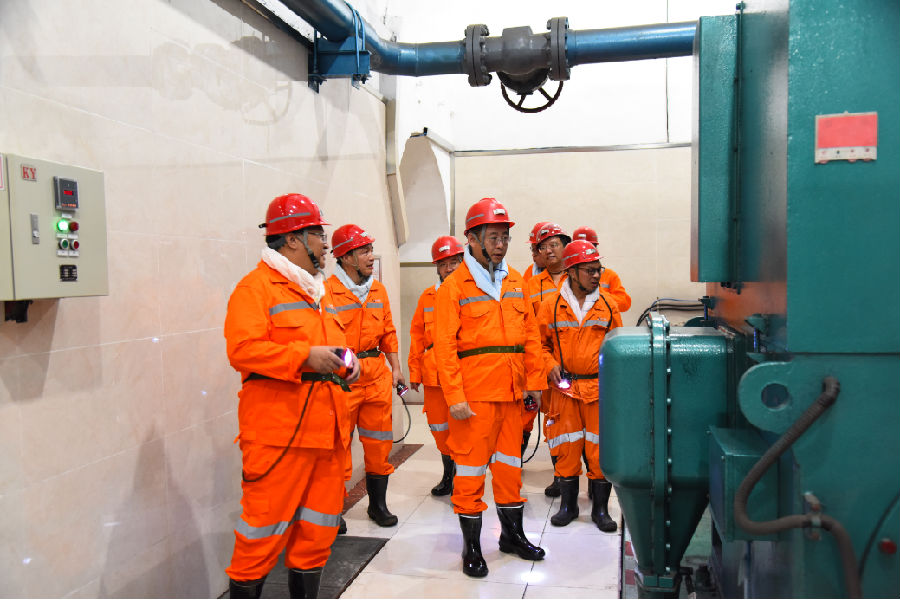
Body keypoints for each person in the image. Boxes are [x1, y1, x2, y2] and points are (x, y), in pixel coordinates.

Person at [224, 193, 361, 599]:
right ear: (293, 239)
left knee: (317, 535)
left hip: (328, 437)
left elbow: (332, 346)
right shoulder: (256, 288)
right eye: (319, 234)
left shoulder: (319, 292)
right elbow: (242, 350)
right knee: (260, 538)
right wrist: (304, 356)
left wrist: (348, 362)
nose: (326, 244)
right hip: (279, 439)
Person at [433, 197, 546, 578]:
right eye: (494, 237)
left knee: (510, 469)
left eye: (505, 237)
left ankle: (512, 536)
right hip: (474, 398)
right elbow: (445, 347)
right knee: (469, 473)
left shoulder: (515, 282)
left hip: (512, 395)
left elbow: (531, 335)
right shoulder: (454, 286)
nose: (501, 244)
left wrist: (535, 382)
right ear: (472, 239)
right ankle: (471, 548)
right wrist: (454, 396)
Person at [536, 240, 623, 532]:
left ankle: (600, 510)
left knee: (600, 451)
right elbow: (539, 345)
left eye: (599, 269)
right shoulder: (551, 306)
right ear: (572, 272)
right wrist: (549, 365)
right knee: (566, 448)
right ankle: (568, 506)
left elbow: (618, 349)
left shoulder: (609, 306)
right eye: (590, 271)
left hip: (599, 391)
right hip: (564, 390)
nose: (596, 275)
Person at [324, 224, 404, 530]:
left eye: (370, 250)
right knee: (338, 448)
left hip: (377, 379)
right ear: (345, 258)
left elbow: (388, 332)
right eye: (364, 251)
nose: (371, 256)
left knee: (379, 444)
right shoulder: (327, 292)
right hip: (342, 381)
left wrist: (396, 369)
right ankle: (334, 511)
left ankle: (377, 506)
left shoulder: (378, 290)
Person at [408, 235, 465, 496]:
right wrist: (414, 371)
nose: (449, 268)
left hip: (463, 375)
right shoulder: (427, 297)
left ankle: (463, 480)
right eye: (443, 264)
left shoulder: (472, 293)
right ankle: (448, 475)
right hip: (434, 376)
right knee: (439, 428)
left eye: (454, 262)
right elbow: (417, 335)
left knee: (463, 429)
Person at [525, 222, 572, 497]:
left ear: (566, 246)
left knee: (579, 424)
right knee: (553, 422)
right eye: (543, 247)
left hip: (575, 363)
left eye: (554, 244)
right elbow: (526, 325)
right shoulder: (531, 285)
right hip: (544, 362)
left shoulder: (577, 279)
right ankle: (559, 475)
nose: (549, 250)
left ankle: (582, 475)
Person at [571, 226, 632, 312]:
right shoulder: (567, 276)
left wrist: (597, 293)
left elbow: (624, 304)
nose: (585, 253)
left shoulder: (610, 275)